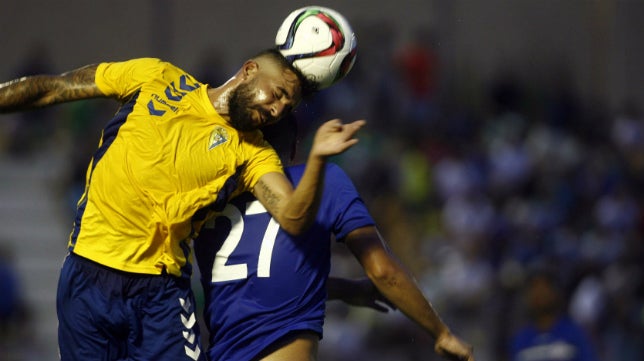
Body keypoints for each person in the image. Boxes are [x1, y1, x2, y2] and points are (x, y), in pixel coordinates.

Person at [0, 49, 365, 361]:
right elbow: (56, 87)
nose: (279, 108)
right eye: (279, 93)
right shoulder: (156, 76)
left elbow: (293, 217)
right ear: (250, 69)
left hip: (160, 294)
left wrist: (317, 158)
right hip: (87, 274)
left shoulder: (252, 153)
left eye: (288, 106)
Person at [193, 117, 474, 361]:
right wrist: (441, 334)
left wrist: (345, 290)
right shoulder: (318, 181)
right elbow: (382, 270)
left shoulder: (208, 203)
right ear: (294, 148)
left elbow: (263, 284)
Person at [509, 265, 599, 361]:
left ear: (555, 292)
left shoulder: (576, 335)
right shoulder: (520, 340)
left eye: (544, 287)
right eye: (534, 288)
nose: (539, 293)